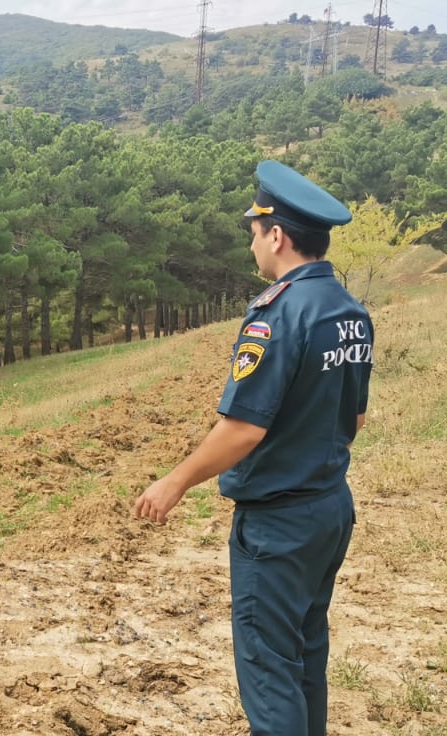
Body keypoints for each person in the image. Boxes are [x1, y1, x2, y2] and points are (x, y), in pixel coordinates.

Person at [133, 160, 372, 736]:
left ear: (277, 235)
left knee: (268, 670)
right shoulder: (350, 312)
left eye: (253, 234)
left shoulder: (278, 312)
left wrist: (174, 481)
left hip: (279, 523)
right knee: (305, 652)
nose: (252, 246)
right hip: (329, 509)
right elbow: (355, 417)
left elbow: (243, 429)